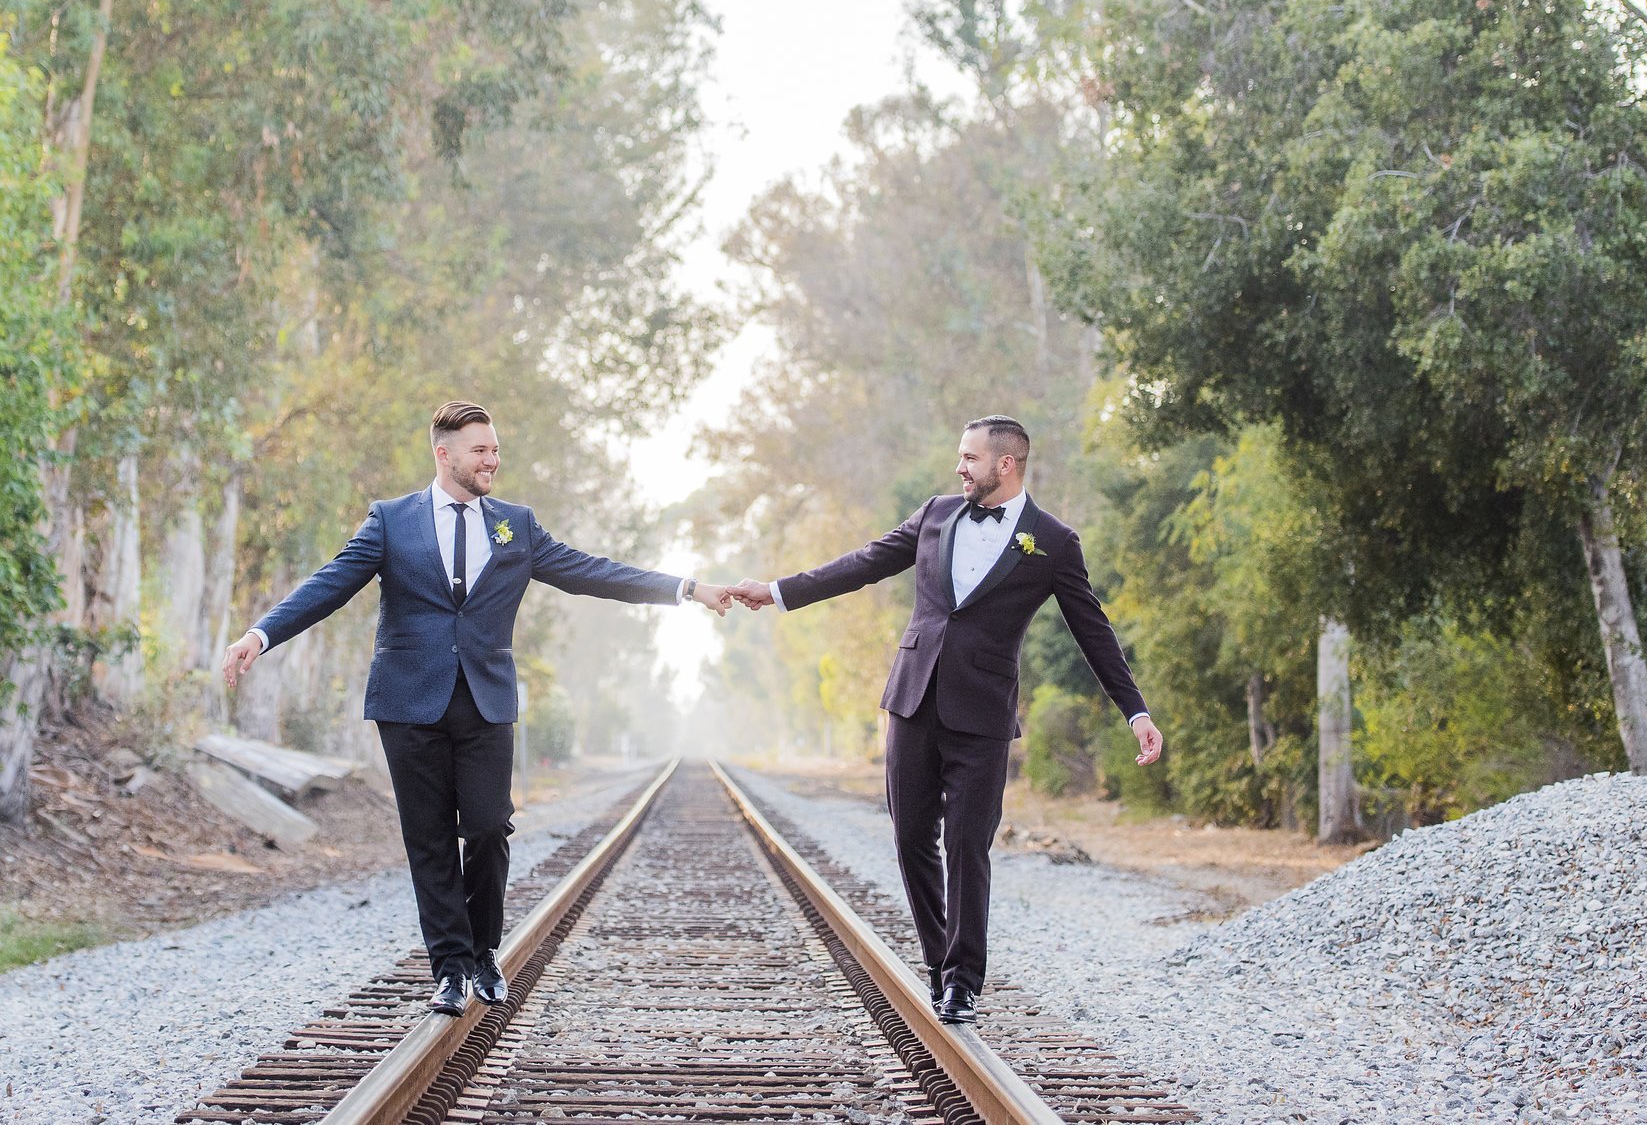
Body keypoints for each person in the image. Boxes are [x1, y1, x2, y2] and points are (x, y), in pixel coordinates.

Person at [222, 399, 734, 1016]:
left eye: (494, 448)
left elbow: (591, 571)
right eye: (480, 450)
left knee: (488, 827)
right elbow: (329, 584)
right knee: (429, 838)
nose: (493, 458)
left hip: (486, 701)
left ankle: (484, 952)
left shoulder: (515, 525)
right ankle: (449, 969)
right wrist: (261, 634)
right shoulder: (391, 520)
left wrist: (686, 589)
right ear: (445, 455)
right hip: (409, 702)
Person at [731, 415, 1161, 1025]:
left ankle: (963, 980)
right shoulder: (936, 513)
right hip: (912, 701)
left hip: (984, 714)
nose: (960, 468)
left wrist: (1135, 711)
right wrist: (776, 591)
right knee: (911, 840)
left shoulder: (1053, 542)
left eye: (970, 458)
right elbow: (864, 563)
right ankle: (939, 960)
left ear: (1005, 464)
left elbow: (1093, 630)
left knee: (967, 844)